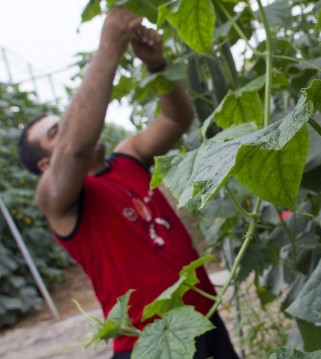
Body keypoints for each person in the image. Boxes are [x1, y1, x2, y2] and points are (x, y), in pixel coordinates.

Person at [16, 8, 238, 359]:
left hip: (202, 319)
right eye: (58, 130)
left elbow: (176, 118)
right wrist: (108, 48)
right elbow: (74, 151)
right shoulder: (56, 200)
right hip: (150, 345)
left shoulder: (127, 157)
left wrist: (157, 66)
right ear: (46, 164)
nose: (74, 128)